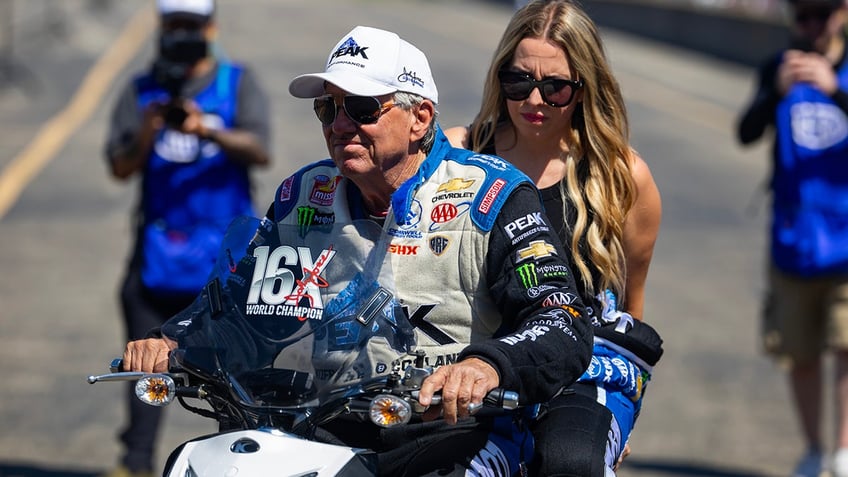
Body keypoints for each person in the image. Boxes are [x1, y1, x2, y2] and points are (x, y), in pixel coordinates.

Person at [121, 24, 595, 476]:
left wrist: (485, 366)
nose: (341, 125)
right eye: (329, 109)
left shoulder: (493, 194)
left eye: (363, 108)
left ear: (420, 119)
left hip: (450, 432)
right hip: (318, 426)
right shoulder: (303, 194)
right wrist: (173, 340)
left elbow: (561, 319)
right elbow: (240, 306)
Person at [444, 1, 664, 475]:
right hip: (480, 359)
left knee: (571, 463)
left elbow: (631, 309)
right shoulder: (460, 155)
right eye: (519, 81)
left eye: (556, 87)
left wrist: (619, 420)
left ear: (585, 88)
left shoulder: (623, 176)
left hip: (584, 368)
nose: (534, 101)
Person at [103, 0, 271, 475]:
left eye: (191, 25)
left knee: (234, 378)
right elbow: (119, 167)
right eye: (173, 25)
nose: (181, 34)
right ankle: (134, 464)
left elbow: (259, 150)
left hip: (225, 263)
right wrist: (149, 128)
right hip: (156, 256)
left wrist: (208, 130)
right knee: (142, 366)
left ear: (211, 27)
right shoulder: (140, 92)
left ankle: (234, 464)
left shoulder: (237, 83)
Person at [737, 0, 848, 475]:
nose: (811, 26)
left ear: (842, 12)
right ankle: (813, 448)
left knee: (846, 346)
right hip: (794, 240)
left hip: (846, 237)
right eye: (802, 15)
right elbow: (745, 132)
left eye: (821, 14)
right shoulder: (776, 67)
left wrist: (835, 91)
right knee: (800, 351)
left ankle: (843, 452)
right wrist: (775, 94)